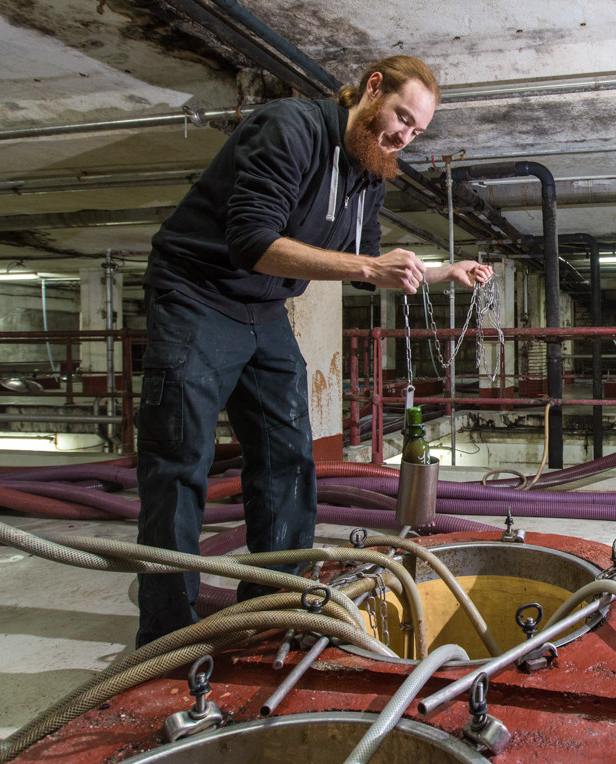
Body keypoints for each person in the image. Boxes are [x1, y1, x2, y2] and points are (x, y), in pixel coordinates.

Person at [135, 55, 491, 647]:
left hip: (263, 309)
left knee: (287, 452)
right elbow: (251, 241)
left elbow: (369, 270)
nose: (402, 135)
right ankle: (167, 636)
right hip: (197, 293)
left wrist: (441, 271)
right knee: (179, 462)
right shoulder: (291, 128)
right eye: (401, 116)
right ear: (372, 88)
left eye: (416, 131)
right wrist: (370, 265)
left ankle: (277, 607)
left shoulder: (370, 174)